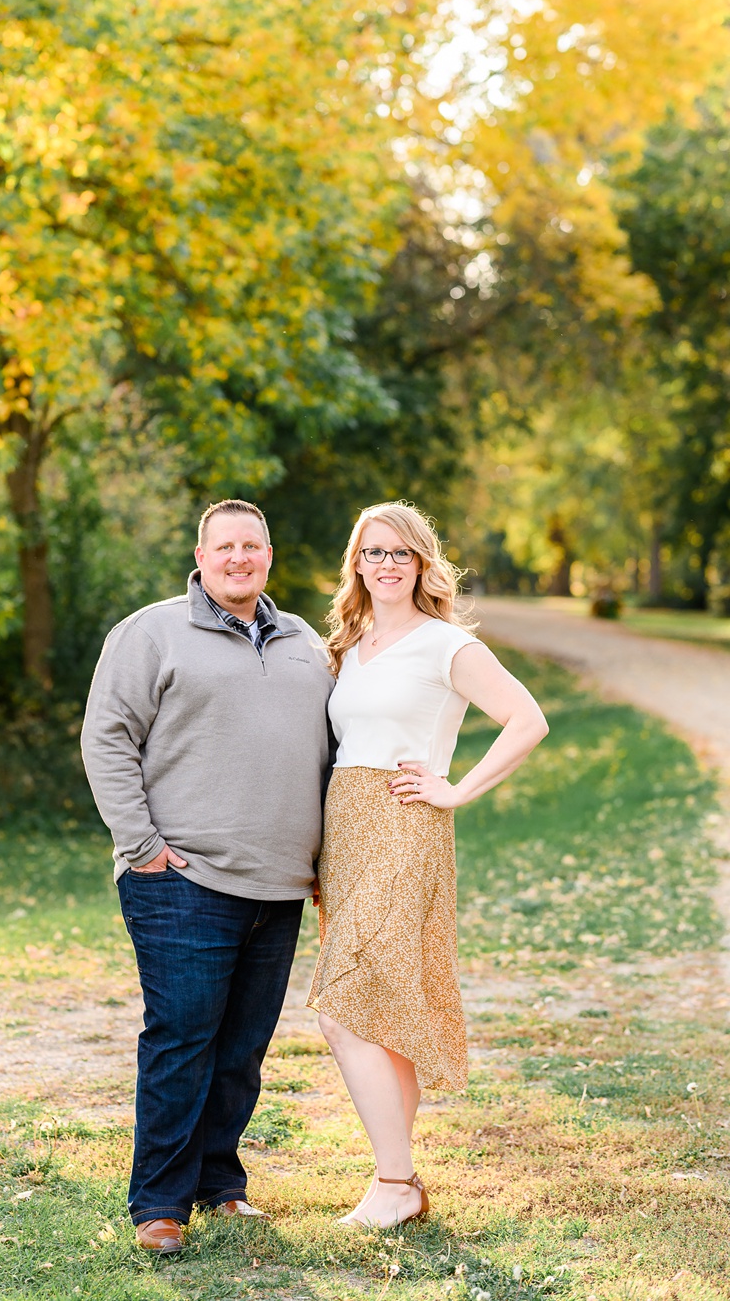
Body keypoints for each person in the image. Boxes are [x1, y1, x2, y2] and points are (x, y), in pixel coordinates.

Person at [82, 499, 334, 1255]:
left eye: (251, 546)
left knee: (241, 1048)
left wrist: (324, 861)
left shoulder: (304, 643)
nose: (238, 558)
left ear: (268, 555)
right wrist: (143, 844)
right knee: (183, 1038)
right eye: (224, 546)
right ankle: (159, 1206)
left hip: (279, 885)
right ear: (201, 555)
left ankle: (218, 1185)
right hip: (180, 881)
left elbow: (327, 756)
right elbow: (107, 738)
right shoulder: (152, 631)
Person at [307, 500, 548, 1228]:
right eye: (373, 553)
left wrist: (457, 790)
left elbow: (528, 718)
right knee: (383, 1009)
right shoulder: (348, 645)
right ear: (356, 563)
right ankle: (394, 1183)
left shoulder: (446, 644)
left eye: (400, 553)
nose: (386, 565)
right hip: (345, 833)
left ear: (421, 563)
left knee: (342, 1008)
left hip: (407, 825)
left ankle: (397, 1183)